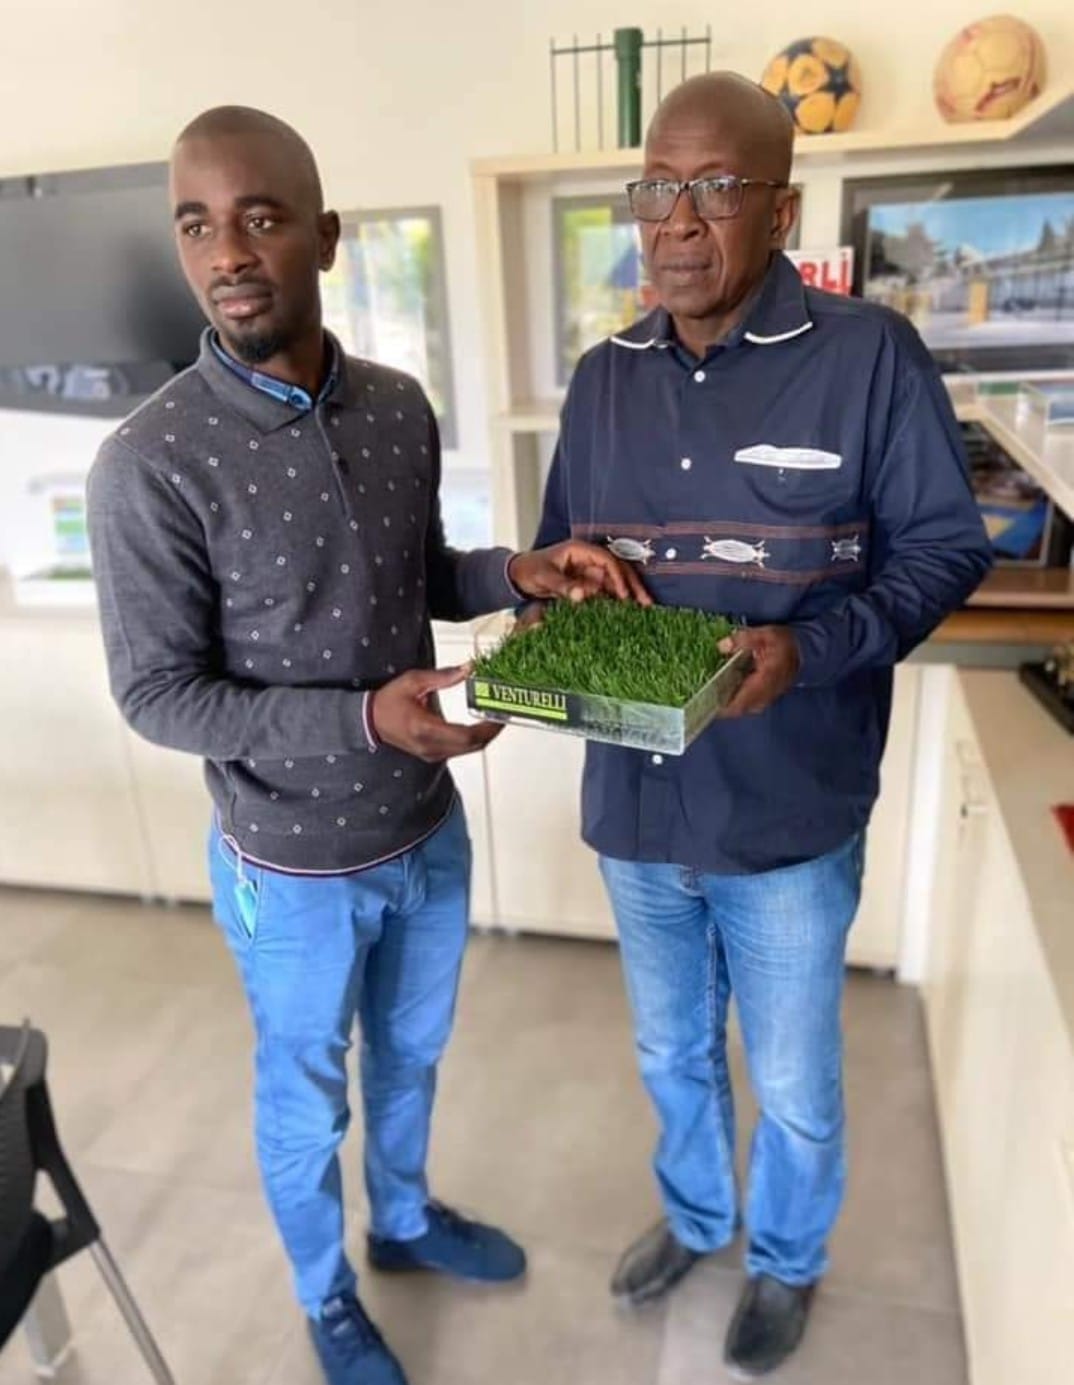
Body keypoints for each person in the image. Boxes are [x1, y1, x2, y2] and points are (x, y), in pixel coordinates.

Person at [86, 106, 646, 1385]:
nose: (228, 252)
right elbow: (160, 695)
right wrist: (363, 712)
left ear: (325, 237)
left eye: (261, 218)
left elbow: (412, 571)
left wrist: (515, 567)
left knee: (410, 1057)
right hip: (290, 872)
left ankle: (401, 1221)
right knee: (304, 1102)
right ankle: (325, 1295)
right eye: (197, 225)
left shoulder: (397, 408)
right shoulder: (149, 462)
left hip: (425, 834)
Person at [529, 72, 992, 1379]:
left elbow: (942, 553)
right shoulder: (601, 376)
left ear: (780, 208)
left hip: (788, 811)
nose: (673, 222)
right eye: (653, 188)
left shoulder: (867, 358)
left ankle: (786, 1261)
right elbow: (576, 558)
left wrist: (816, 643)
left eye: (711, 189)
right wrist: (552, 597)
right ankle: (695, 1217)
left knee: (789, 1079)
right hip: (635, 808)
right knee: (669, 1048)